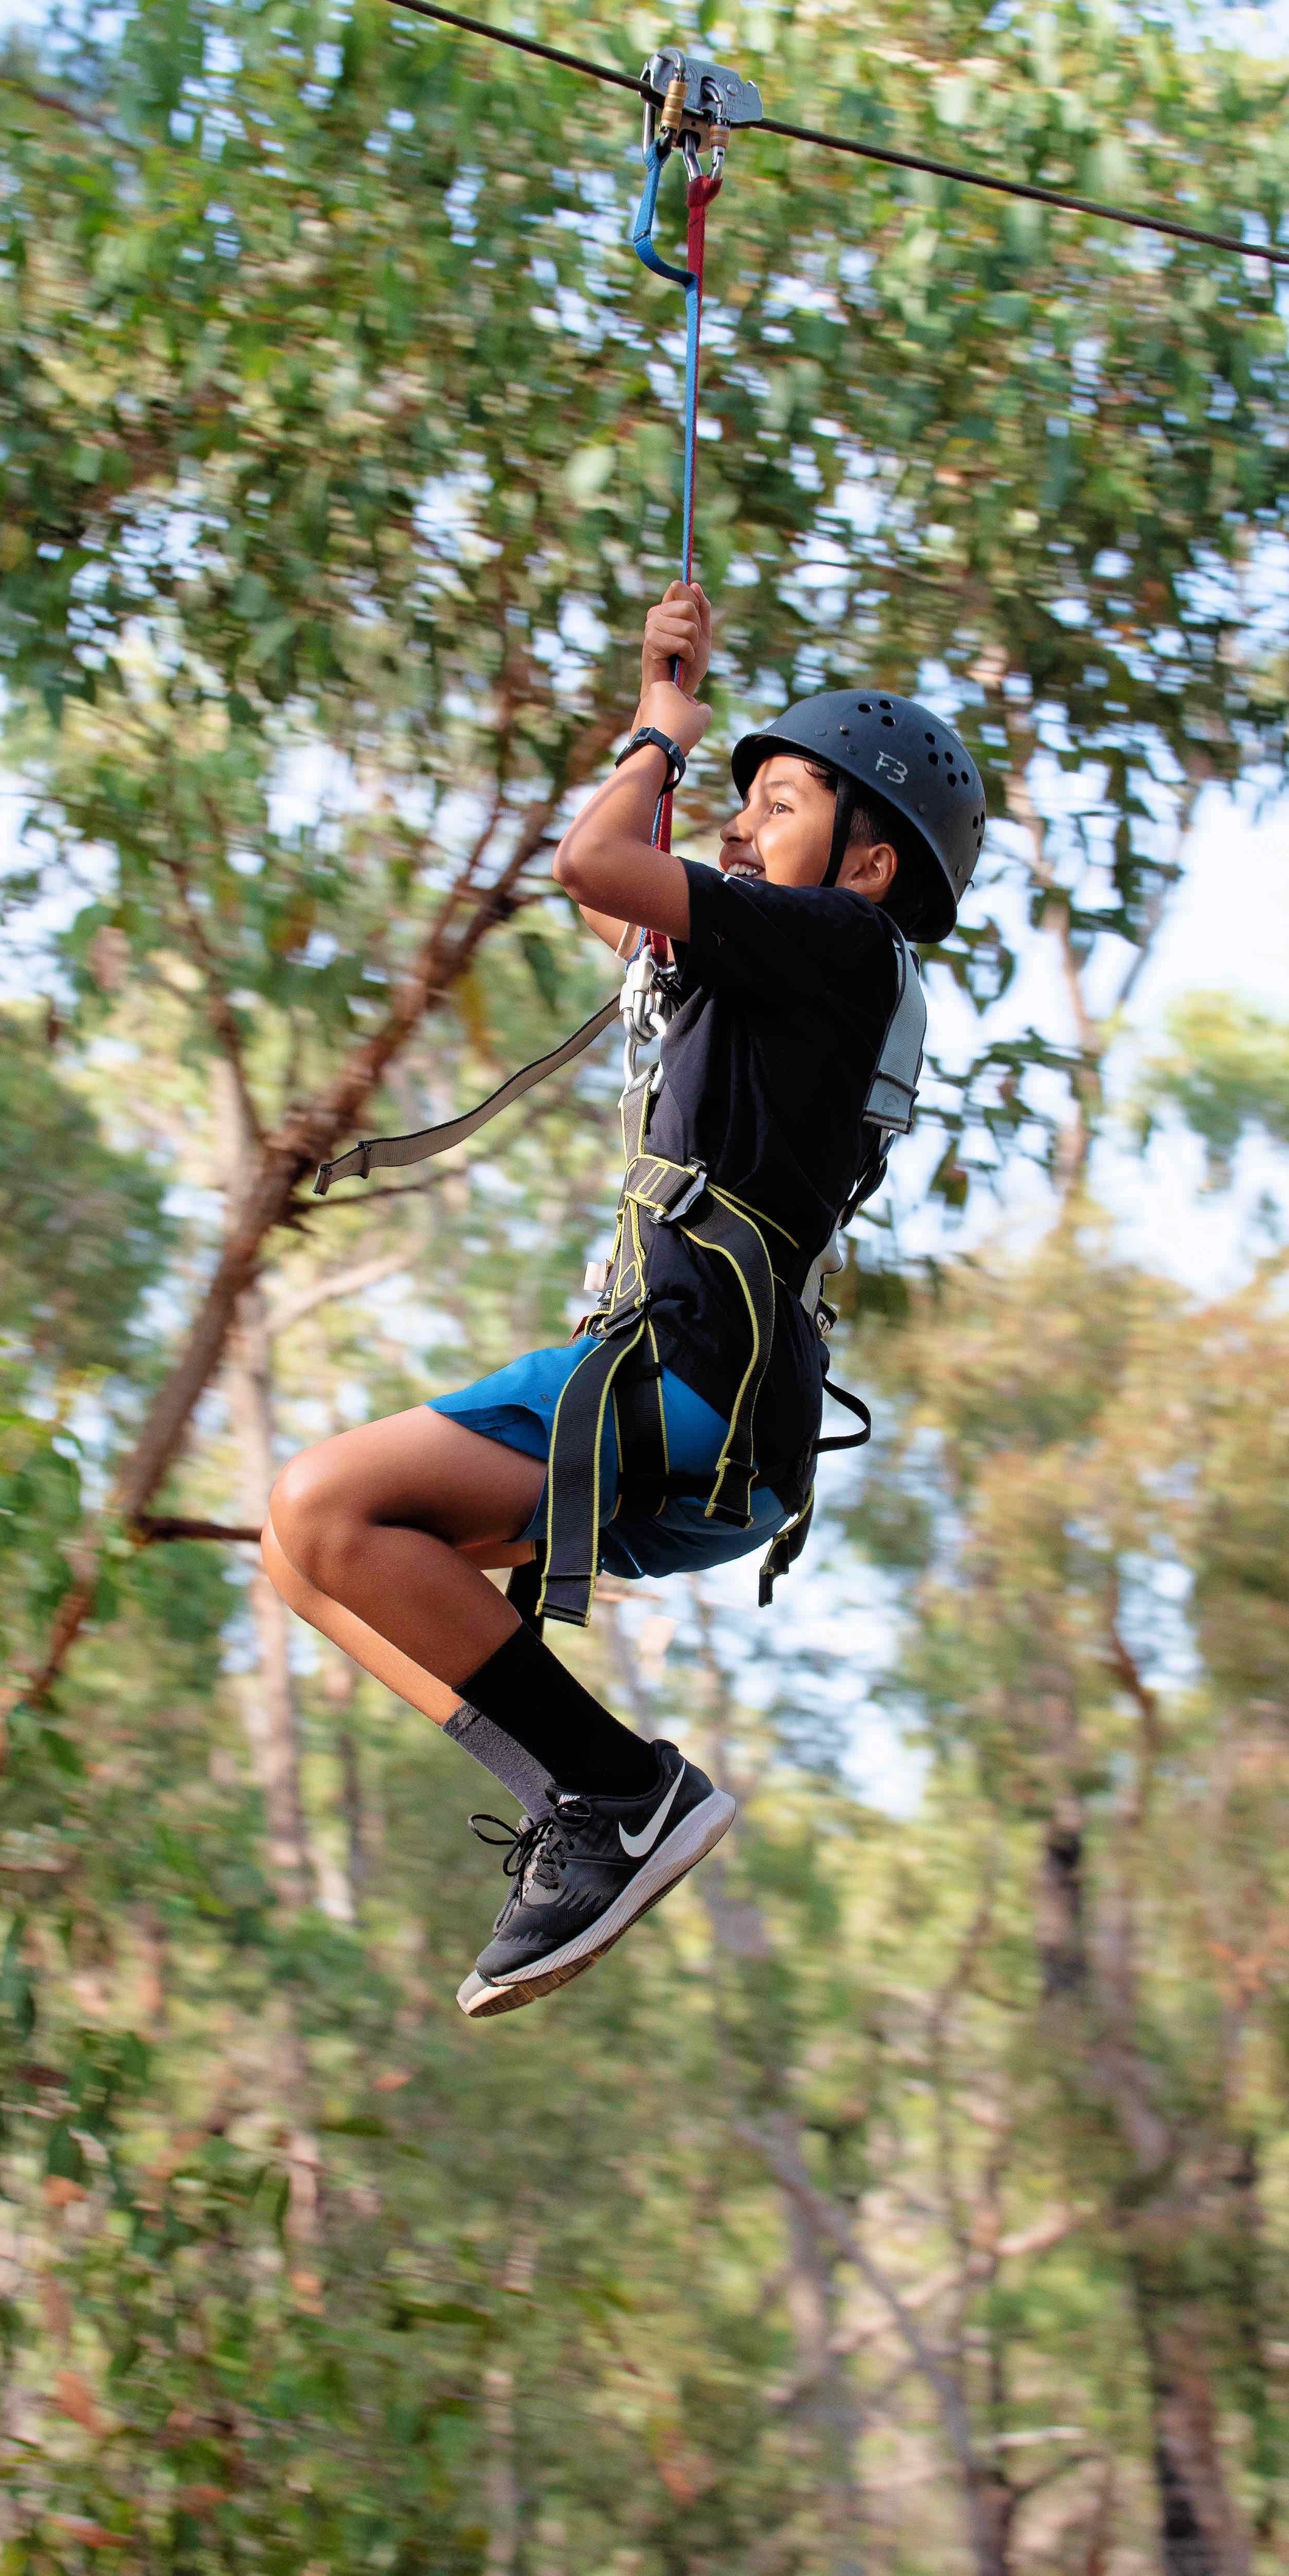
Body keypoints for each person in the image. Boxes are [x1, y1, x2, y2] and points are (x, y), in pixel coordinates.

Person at [261, 580, 984, 2017]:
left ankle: (618, 1791)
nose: (740, 829)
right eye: (744, 805)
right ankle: (586, 1804)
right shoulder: (773, 973)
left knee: (323, 1504)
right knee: (306, 1560)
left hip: (694, 1381)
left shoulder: (840, 949)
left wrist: (664, 730)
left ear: (869, 865)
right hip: (702, 1414)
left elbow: (595, 860)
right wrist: (658, 701)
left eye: (777, 806)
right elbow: (611, 890)